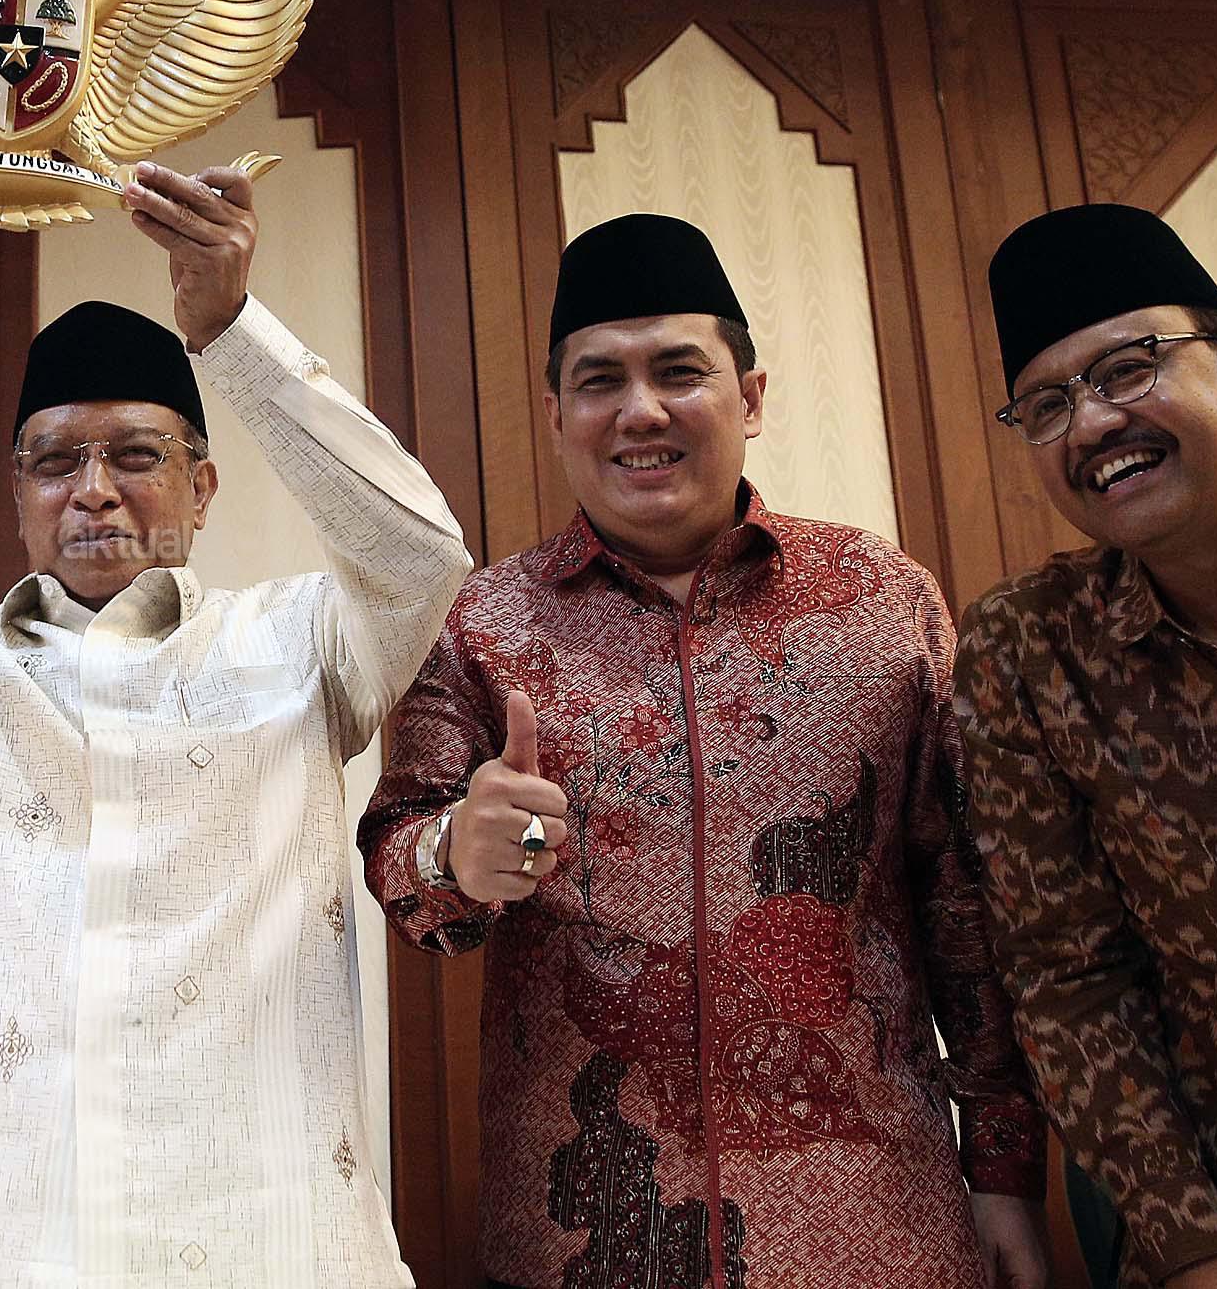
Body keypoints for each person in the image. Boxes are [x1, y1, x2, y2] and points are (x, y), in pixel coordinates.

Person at [0, 113, 471, 1286]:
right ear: (18, 494)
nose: (94, 490)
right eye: (55, 460)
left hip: (256, 1234)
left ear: (202, 487)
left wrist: (227, 328)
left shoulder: (303, 646)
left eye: (136, 455)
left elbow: (419, 555)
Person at [359, 213, 1052, 1289]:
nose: (640, 410)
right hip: (588, 1233)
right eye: (599, 381)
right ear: (555, 416)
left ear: (751, 398)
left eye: (679, 371)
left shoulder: (881, 601)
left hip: (873, 1231)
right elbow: (404, 877)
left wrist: (1004, 1172)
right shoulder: (482, 625)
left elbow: (963, 902)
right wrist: (455, 852)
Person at [954, 203, 1217, 1289]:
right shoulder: (1028, 653)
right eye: (1046, 405)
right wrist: (1198, 1261)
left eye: (1126, 369)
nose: (1091, 423)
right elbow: (1068, 979)